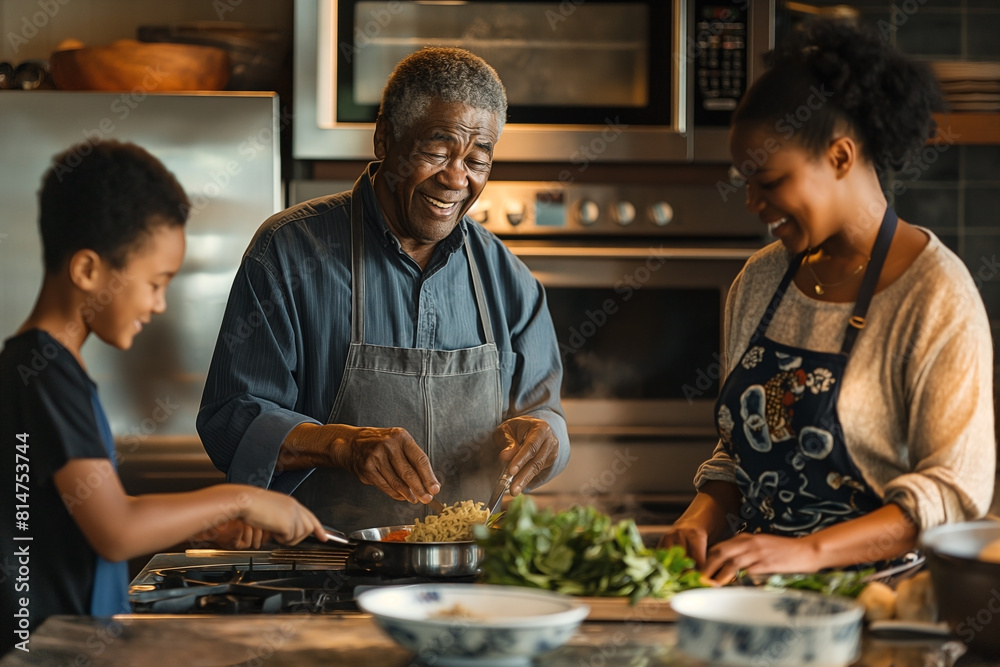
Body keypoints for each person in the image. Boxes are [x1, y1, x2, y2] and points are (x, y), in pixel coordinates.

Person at [660, 19, 995, 581]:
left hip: (880, 601)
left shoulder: (936, 294)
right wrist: (702, 515)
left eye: (768, 182)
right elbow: (737, 456)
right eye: (745, 181)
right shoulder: (759, 281)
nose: (752, 202)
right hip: (756, 596)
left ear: (840, 157)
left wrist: (809, 552)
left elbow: (953, 492)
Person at [197, 47, 570, 531]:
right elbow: (230, 420)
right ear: (384, 139)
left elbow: (547, 413)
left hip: (467, 571)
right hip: (321, 563)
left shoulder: (508, 277)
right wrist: (342, 445)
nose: (457, 179)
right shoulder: (288, 252)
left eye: (478, 160)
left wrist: (545, 438)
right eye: (436, 152)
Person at [0, 140, 326, 655]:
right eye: (155, 283)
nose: (159, 304)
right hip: (52, 650)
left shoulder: (38, 366)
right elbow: (115, 532)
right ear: (87, 271)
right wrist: (243, 497)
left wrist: (202, 523)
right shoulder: (46, 373)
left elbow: (69, 525)